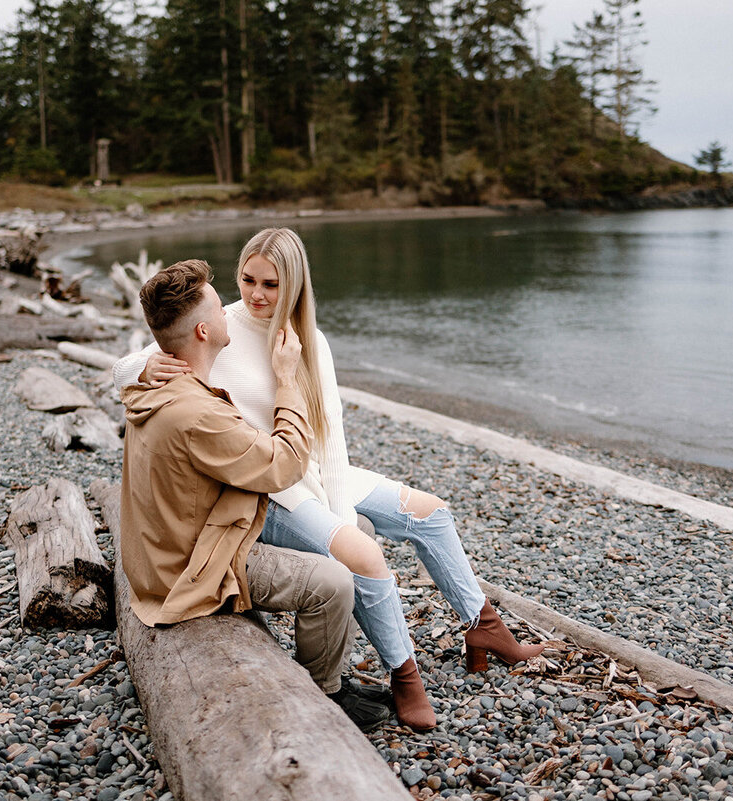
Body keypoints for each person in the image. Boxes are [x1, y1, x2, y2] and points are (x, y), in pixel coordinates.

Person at [114, 229, 542, 731]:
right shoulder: (217, 324)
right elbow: (129, 367)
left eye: (270, 284)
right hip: (265, 480)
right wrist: (144, 370)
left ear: (293, 285)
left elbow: (330, 435)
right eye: (248, 279)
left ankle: (483, 627)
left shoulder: (308, 340)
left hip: (309, 468)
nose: (255, 294)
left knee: (430, 513)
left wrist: (337, 512)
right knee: (362, 551)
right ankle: (405, 676)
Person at [118, 258, 390, 730]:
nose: (233, 311)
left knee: (353, 531)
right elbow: (285, 463)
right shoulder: (195, 412)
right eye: (220, 309)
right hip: (192, 566)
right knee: (333, 581)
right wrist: (287, 379)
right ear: (204, 331)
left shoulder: (156, 386)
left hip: (169, 545)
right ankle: (327, 691)